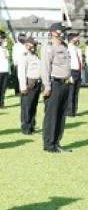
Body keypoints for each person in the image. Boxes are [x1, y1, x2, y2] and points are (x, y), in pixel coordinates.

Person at [40, 23, 73, 153]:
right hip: (54, 84)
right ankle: (49, 144)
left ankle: (57, 142)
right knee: (51, 115)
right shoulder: (48, 47)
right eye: (62, 31)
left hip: (64, 84)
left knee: (61, 114)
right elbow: (45, 68)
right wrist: (47, 86)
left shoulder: (64, 46)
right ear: (54, 32)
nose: (64, 33)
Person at [17, 37, 43, 135]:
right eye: (33, 45)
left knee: (33, 106)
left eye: (35, 45)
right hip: (29, 84)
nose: (35, 47)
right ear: (27, 45)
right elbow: (21, 72)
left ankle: (32, 126)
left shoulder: (35, 56)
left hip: (37, 83)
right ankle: (26, 128)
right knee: (27, 107)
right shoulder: (24, 56)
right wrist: (23, 86)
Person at [68, 33, 83, 117]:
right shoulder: (68, 48)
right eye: (76, 37)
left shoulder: (77, 48)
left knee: (76, 93)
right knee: (71, 92)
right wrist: (69, 75)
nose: (77, 38)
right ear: (71, 39)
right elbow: (68, 62)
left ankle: (74, 111)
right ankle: (70, 112)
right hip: (72, 71)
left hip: (78, 71)